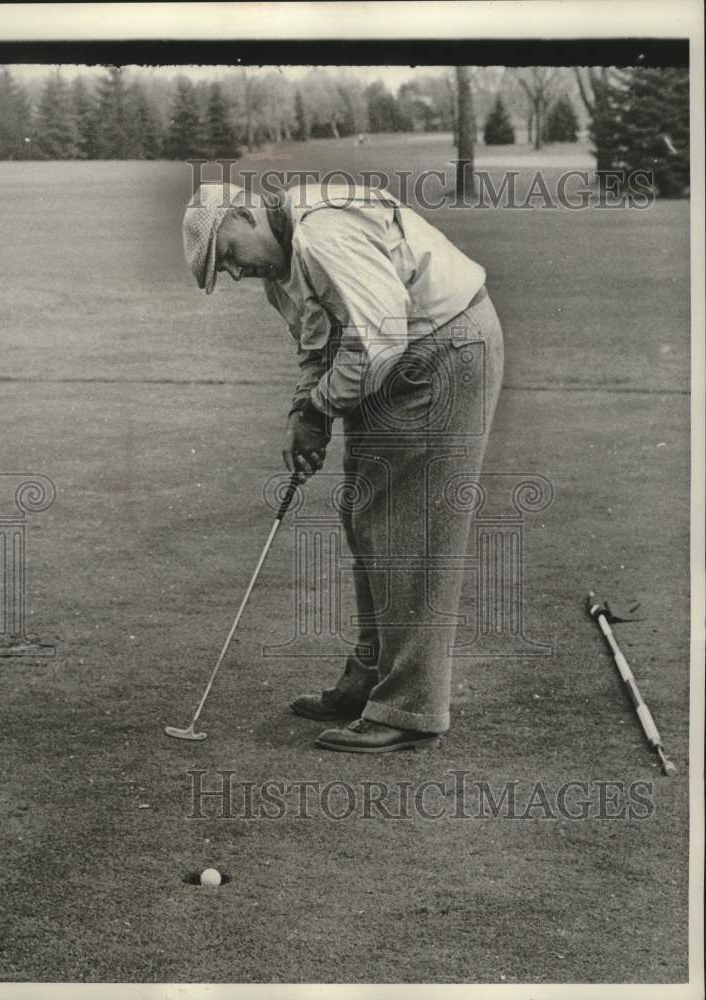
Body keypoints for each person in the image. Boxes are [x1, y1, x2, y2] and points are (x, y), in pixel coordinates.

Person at [182, 181, 503, 753]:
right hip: (402, 355)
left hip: (442, 351)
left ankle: (409, 709)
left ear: (242, 214)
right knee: (368, 517)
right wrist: (304, 412)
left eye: (228, 256)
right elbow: (316, 342)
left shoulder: (322, 230)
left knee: (410, 532)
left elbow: (380, 338)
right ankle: (371, 681)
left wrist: (321, 407)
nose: (233, 273)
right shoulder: (284, 260)